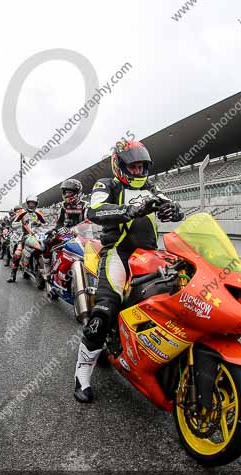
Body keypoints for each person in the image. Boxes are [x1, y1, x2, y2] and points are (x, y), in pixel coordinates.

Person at [74, 140, 183, 403]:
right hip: (117, 254)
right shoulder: (106, 184)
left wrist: (174, 210)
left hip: (150, 255)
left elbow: (174, 207)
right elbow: (95, 209)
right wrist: (129, 210)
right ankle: (82, 375)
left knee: (175, 298)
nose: (138, 171)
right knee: (105, 310)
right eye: (133, 166)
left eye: (142, 166)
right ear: (120, 166)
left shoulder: (151, 187)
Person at [42, 178, 88, 280]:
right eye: (65, 192)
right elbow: (59, 222)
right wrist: (55, 230)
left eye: (70, 192)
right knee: (46, 242)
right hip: (66, 232)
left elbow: (89, 222)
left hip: (82, 234)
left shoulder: (86, 206)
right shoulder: (63, 206)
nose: (67, 195)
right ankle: (48, 270)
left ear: (77, 193)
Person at [7, 195, 46, 283]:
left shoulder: (39, 212)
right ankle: (12, 275)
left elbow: (46, 223)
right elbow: (14, 223)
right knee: (17, 254)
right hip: (25, 235)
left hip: (38, 235)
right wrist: (20, 224)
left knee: (46, 248)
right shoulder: (22, 212)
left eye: (33, 203)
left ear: (36, 204)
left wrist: (41, 225)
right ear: (27, 203)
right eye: (30, 203)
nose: (32, 205)